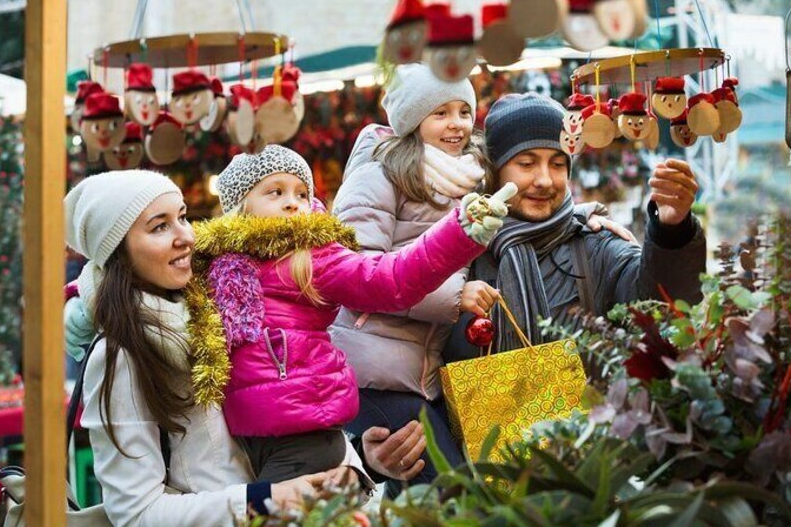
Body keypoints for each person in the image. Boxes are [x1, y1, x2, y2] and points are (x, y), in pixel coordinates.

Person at [329, 64, 631, 491]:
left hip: (422, 374)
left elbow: (520, 199)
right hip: (375, 365)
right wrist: (454, 294)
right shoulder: (381, 175)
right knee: (451, 493)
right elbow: (355, 274)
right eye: (439, 113)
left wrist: (580, 214)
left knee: (455, 491)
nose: (455, 124)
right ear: (413, 120)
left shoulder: (468, 176)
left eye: (463, 112)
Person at [63, 170, 372, 525]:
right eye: (159, 227)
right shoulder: (121, 355)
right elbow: (134, 513)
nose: (186, 236)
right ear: (119, 251)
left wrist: (355, 468)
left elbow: (287, 414)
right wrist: (263, 500)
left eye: (181, 217)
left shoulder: (220, 300)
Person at [187, 145, 511, 484]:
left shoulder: (311, 257)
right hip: (248, 436)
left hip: (305, 435)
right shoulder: (217, 267)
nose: (291, 202)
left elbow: (391, 277)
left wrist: (457, 233)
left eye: (301, 194)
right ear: (240, 207)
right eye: (275, 192)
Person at [450, 92, 706, 356]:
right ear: (494, 172)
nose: (545, 180)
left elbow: (660, 305)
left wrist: (671, 230)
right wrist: (452, 301)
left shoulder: (595, 244)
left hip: (586, 398)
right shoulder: (458, 249)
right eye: (526, 163)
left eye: (558, 164)